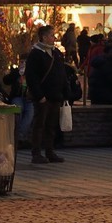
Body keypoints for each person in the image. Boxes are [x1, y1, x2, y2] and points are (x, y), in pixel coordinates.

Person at [24, 24, 69, 165]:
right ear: (43, 37)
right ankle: (36, 153)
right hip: (43, 96)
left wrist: (65, 92)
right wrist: (39, 95)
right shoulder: (36, 54)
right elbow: (31, 77)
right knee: (39, 125)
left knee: (51, 125)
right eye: (51, 35)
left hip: (55, 95)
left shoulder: (56, 53)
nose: (54, 38)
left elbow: (62, 73)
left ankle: (50, 151)